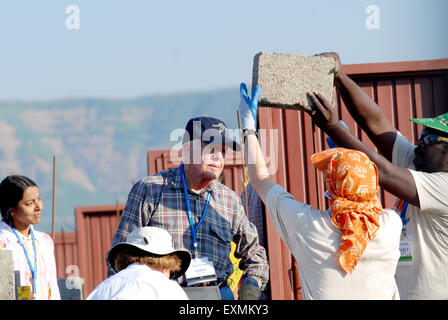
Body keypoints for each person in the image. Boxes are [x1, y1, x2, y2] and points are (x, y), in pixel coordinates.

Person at [300, 52, 448, 300]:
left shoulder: (444, 187)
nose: (419, 142)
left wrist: (334, 127)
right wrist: (340, 76)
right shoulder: (416, 162)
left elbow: (383, 171)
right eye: (421, 134)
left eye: (430, 139)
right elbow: (376, 124)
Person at [238, 83, 402, 299]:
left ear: (331, 188)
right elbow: (367, 199)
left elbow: (260, 179)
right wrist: (348, 146)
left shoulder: (309, 227)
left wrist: (248, 127)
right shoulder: (391, 225)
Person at [107, 116, 269, 300]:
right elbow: (118, 258)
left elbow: (256, 254)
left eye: (223, 151)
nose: (218, 157)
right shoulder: (150, 190)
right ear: (187, 150)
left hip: (218, 295)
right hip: (164, 294)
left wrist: (250, 290)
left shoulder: (229, 200)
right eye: (211, 149)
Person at [87, 226, 191, 300]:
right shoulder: (169, 290)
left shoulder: (102, 289)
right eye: (171, 273)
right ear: (166, 265)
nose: (169, 277)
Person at [0, 175, 60, 300]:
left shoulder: (45, 241)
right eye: (29, 203)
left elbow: (52, 287)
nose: (39, 207)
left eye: (39, 199)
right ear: (12, 210)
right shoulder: (3, 243)